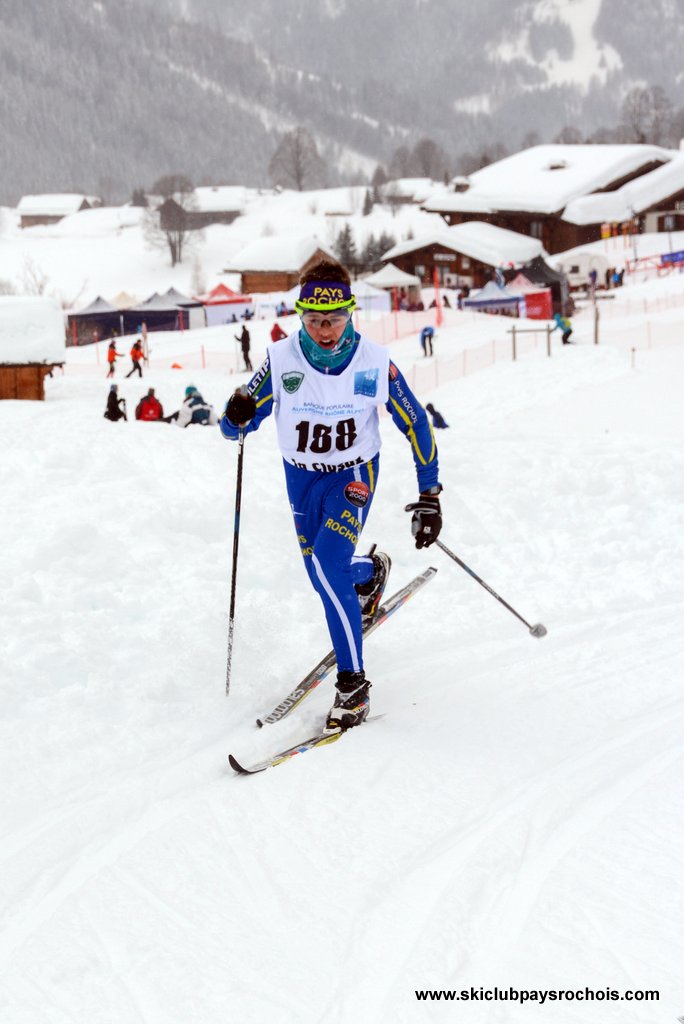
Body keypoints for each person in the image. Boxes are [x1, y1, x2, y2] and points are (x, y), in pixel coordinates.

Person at [220, 258, 443, 732]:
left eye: (335, 318)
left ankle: (353, 685)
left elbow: (416, 423)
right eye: (315, 319)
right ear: (301, 315)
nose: (325, 330)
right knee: (324, 576)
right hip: (300, 479)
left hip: (354, 474)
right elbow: (232, 426)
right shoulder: (281, 360)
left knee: (325, 563)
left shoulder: (374, 361)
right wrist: (236, 411)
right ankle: (368, 575)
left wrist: (430, 494)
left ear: (350, 313)